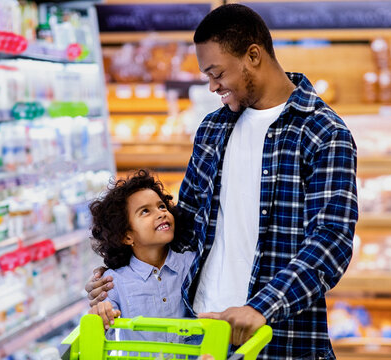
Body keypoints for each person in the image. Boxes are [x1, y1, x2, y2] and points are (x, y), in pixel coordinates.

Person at [86, 4, 358, 359]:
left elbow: (330, 242)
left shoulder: (323, 133)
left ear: (254, 56)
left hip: (277, 339)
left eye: (217, 73)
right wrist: (120, 274)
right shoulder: (213, 128)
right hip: (198, 334)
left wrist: (260, 308)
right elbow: (187, 225)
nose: (212, 86)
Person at [87, 169, 195, 342]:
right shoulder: (113, 280)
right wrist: (101, 312)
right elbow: (103, 322)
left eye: (161, 206)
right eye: (145, 211)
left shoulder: (191, 264)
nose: (161, 213)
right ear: (126, 236)